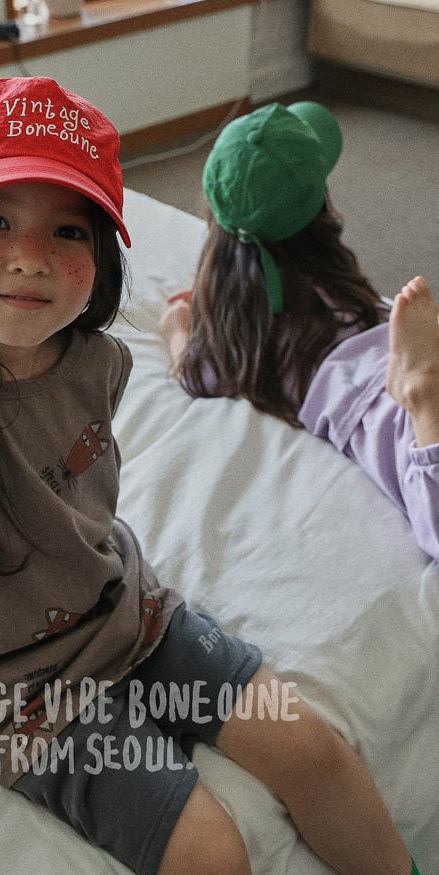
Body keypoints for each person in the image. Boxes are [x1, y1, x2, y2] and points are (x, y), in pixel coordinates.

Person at [0, 78, 417, 875]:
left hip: (126, 613)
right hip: (8, 687)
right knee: (211, 851)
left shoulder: (101, 361)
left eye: (68, 230)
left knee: (311, 747)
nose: (30, 256)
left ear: (101, 260)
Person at [160, 99, 439, 564]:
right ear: (320, 214)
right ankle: (425, 397)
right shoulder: (339, 279)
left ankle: (426, 398)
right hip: (383, 374)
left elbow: (193, 370)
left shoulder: (241, 339)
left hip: (357, 394)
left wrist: (177, 326)